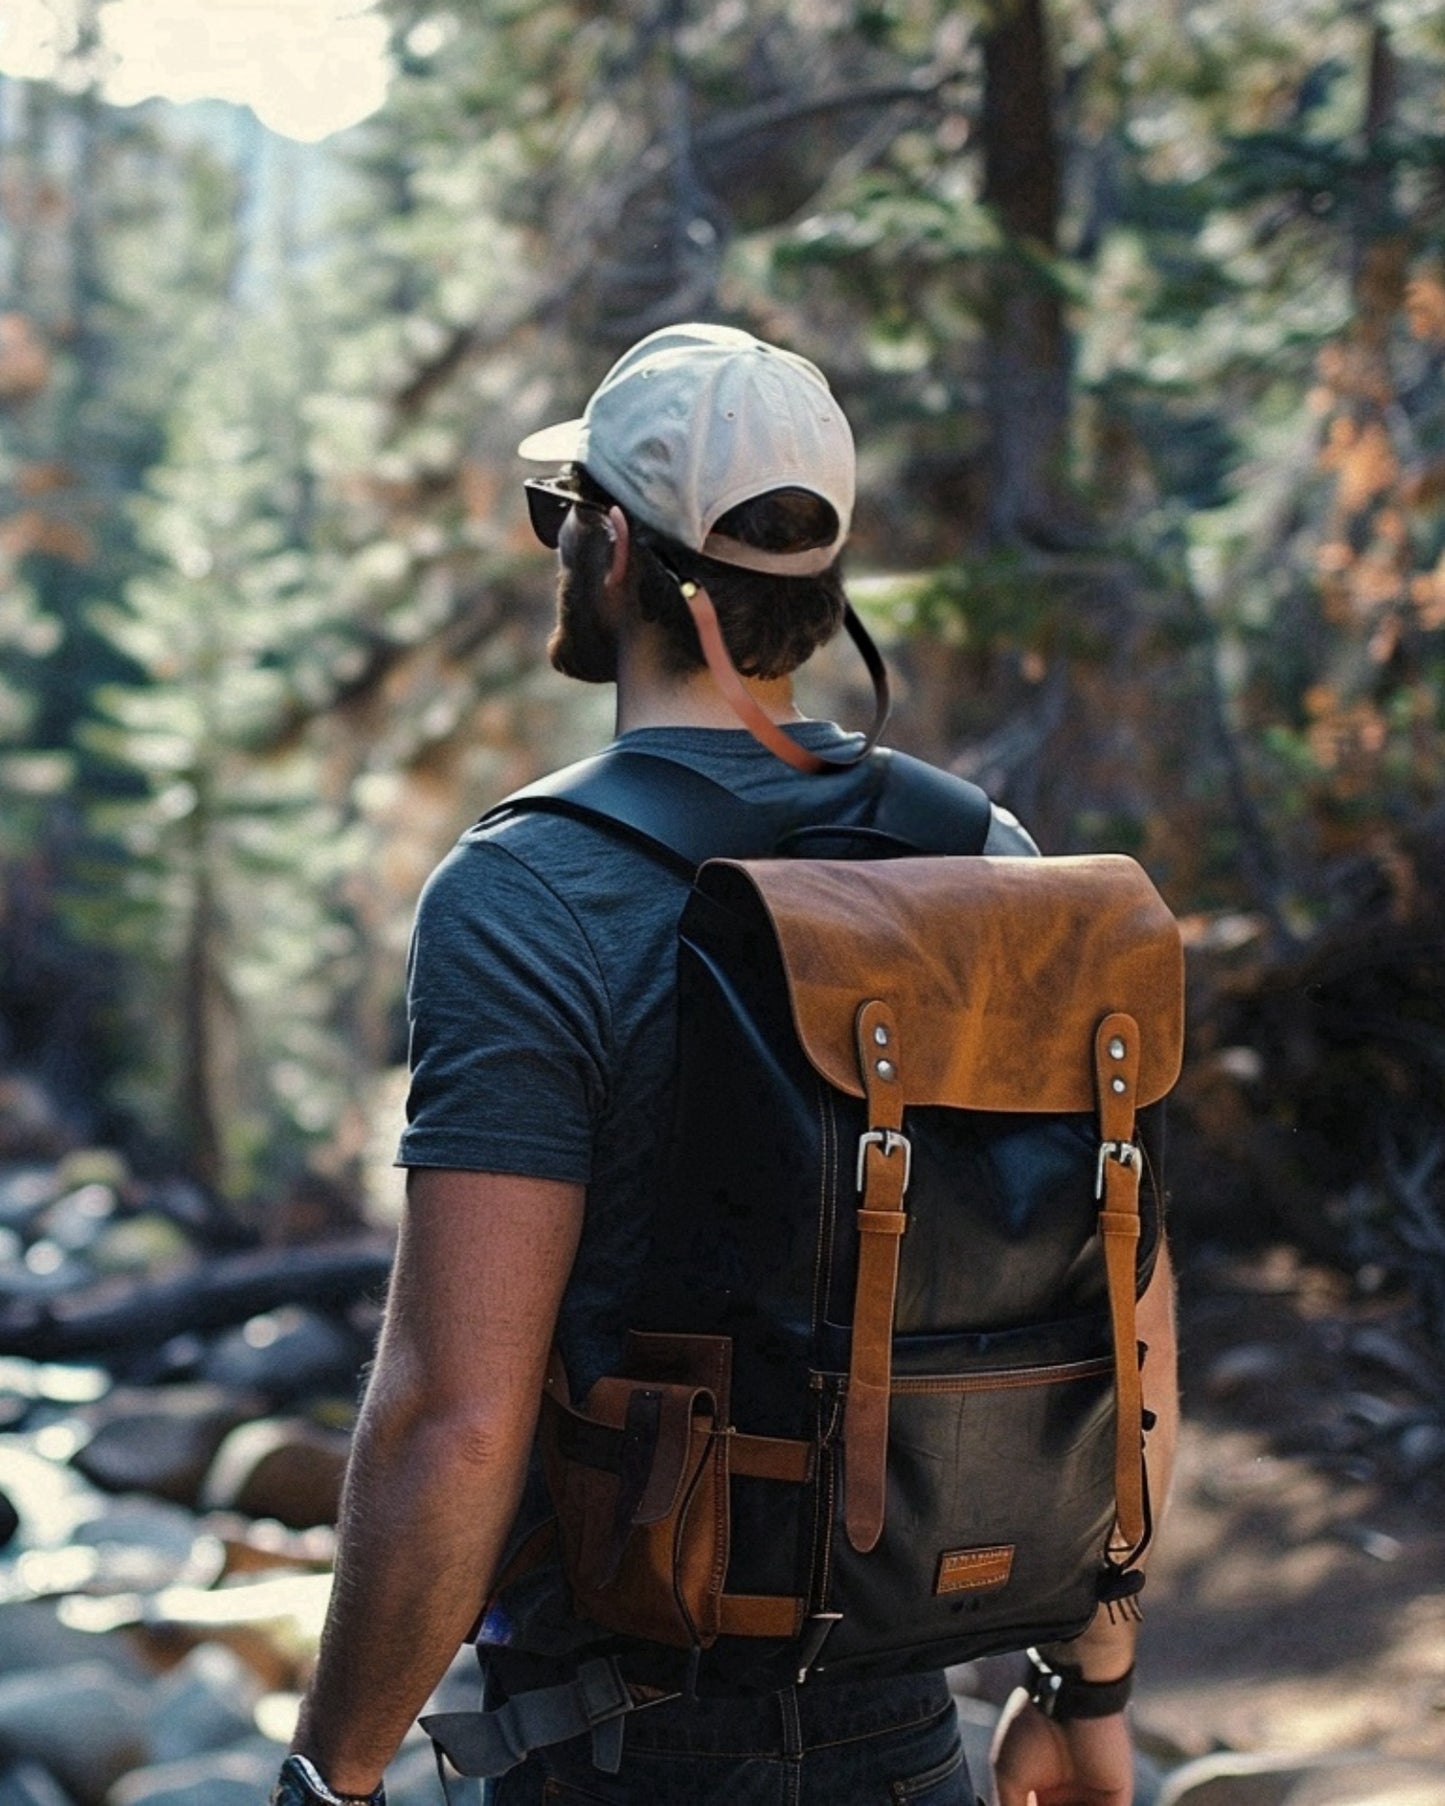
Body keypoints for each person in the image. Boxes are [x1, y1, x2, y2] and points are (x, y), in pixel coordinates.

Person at [276, 323, 1178, 1806]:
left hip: (613, 1751)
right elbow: (1117, 1319)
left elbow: (454, 1412)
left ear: (614, 550)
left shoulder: (525, 894)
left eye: (559, 516)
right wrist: (1088, 1684)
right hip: (905, 1737)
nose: (558, 545)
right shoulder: (991, 863)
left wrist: (333, 1771)